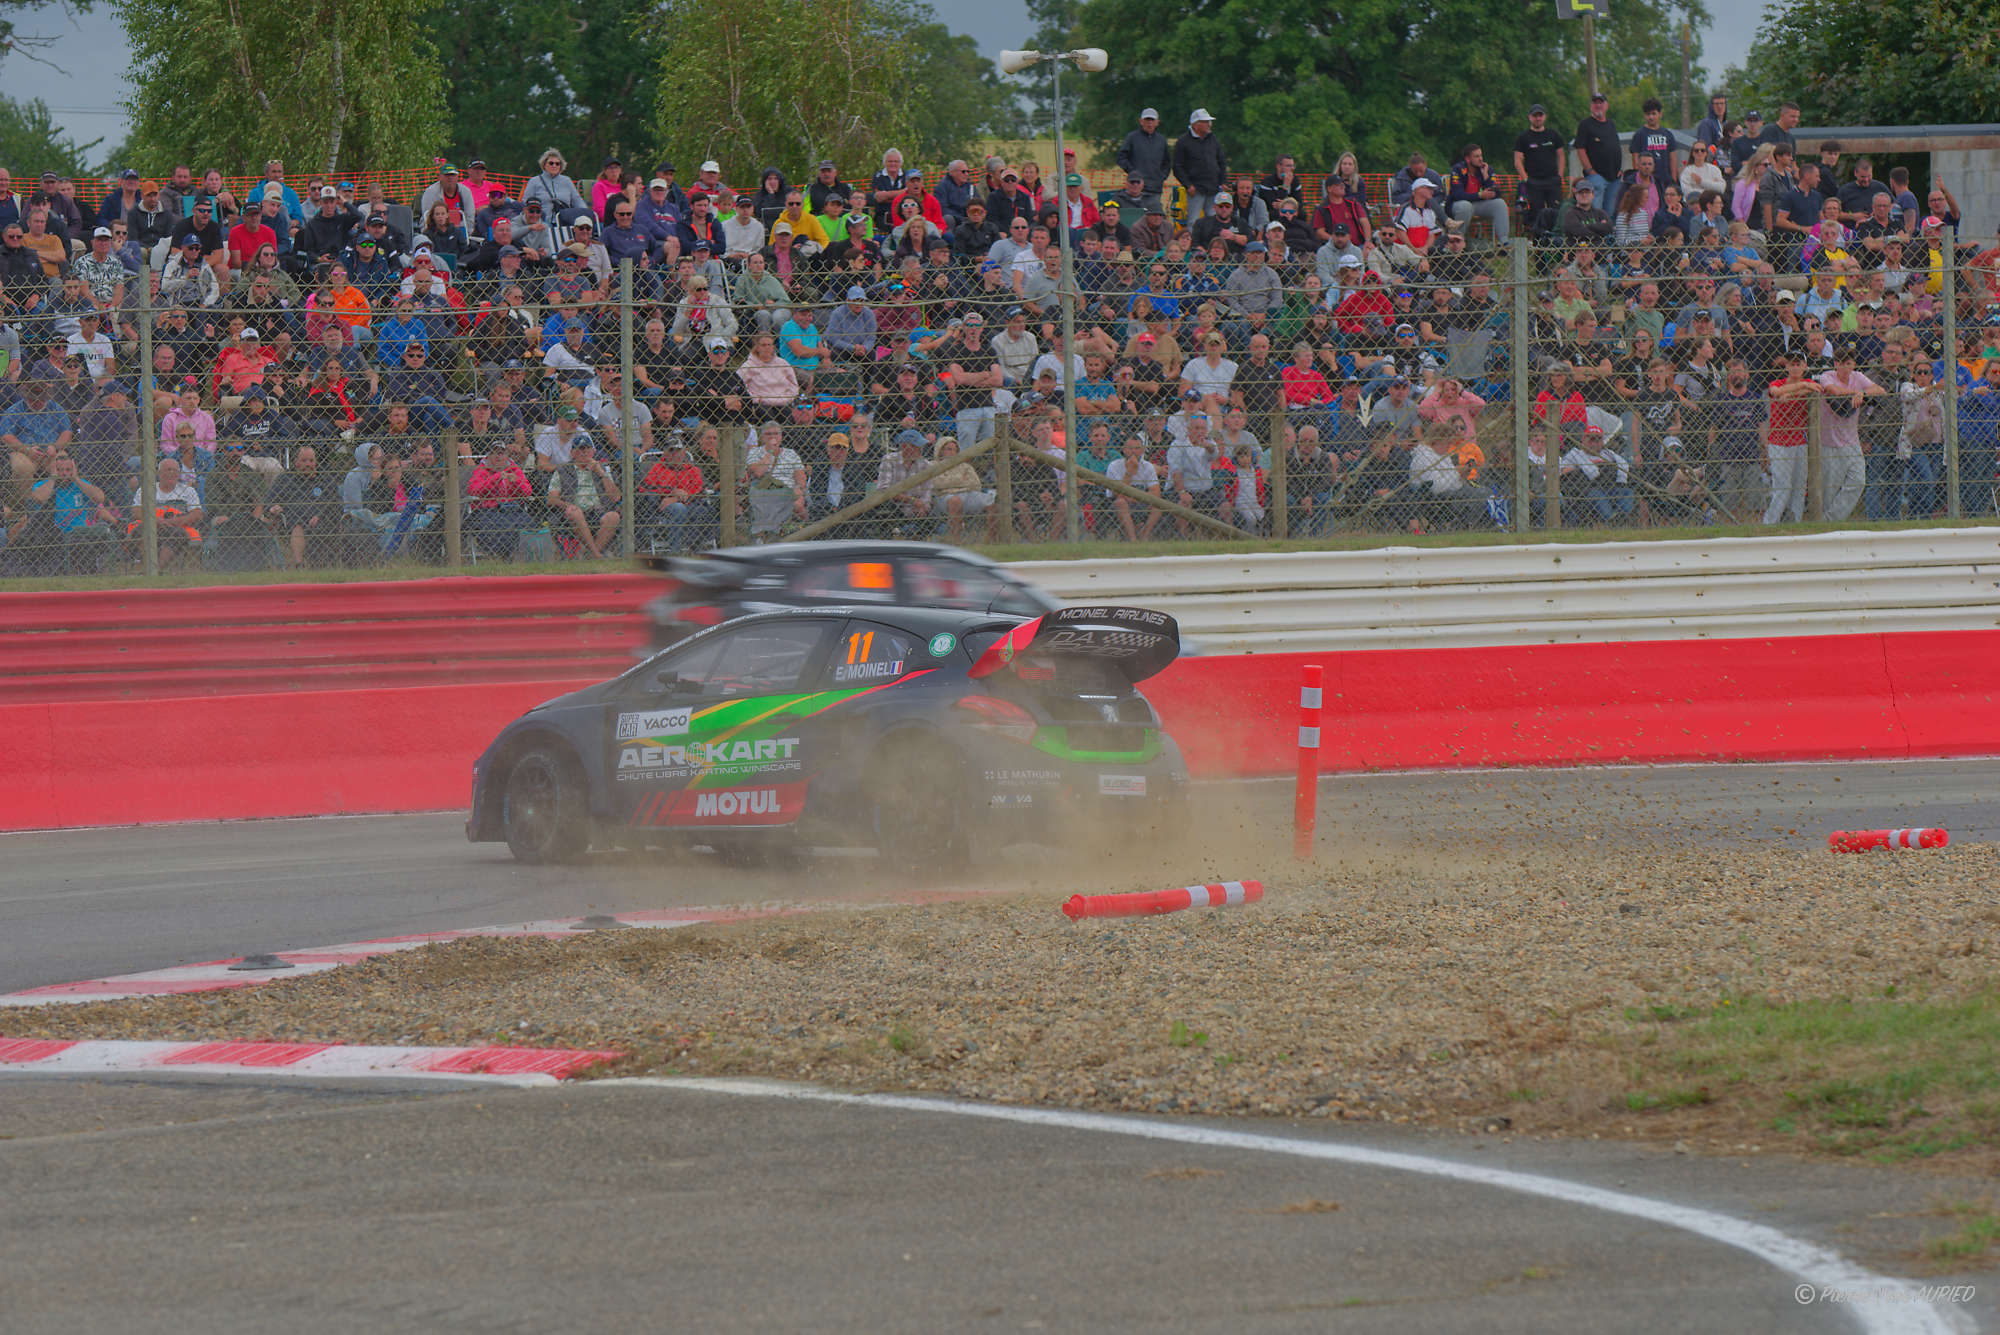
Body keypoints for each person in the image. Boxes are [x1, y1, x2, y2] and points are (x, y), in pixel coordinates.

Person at [1763, 350, 1819, 524]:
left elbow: (1815, 388)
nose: (1795, 367)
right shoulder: (1778, 382)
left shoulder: (1809, 382)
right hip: (1779, 442)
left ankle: (1795, 521)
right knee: (1783, 486)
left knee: (1799, 486)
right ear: (1786, 366)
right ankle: (1770, 522)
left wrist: (1792, 392)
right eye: (1791, 364)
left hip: (1799, 441)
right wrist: (1799, 388)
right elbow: (1775, 391)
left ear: (1804, 366)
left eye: (1798, 364)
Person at [547, 435, 622, 557]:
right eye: (580, 449)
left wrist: (601, 473)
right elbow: (551, 499)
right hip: (574, 512)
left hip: (600, 511)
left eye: (587, 449)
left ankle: (590, 554)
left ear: (593, 451)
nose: (584, 453)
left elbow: (616, 497)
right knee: (575, 512)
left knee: (613, 516)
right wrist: (567, 505)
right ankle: (597, 555)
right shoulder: (562, 470)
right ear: (572, 452)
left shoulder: (603, 469)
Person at [1174, 108, 1227, 226]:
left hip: (1213, 188)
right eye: (1206, 121)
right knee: (1194, 221)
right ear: (1196, 124)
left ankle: (1214, 244)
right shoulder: (1183, 142)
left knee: (1215, 219)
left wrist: (1223, 181)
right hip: (1195, 190)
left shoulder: (1213, 138)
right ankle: (1193, 244)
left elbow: (1221, 161)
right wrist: (1188, 185)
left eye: (1209, 121)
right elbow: (1177, 167)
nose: (1209, 124)